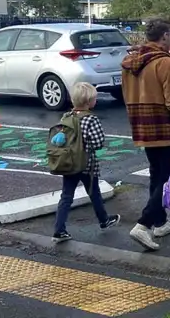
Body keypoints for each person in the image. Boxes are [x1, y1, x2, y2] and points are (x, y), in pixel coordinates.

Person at [121, 17, 170, 251]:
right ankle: (143, 224)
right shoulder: (166, 63)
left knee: (157, 174)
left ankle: (160, 222)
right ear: (164, 36)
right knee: (168, 180)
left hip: (143, 125)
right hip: (165, 127)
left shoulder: (131, 62)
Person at [52, 83, 121, 243]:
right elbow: (98, 143)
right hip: (87, 164)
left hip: (68, 163)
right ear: (89, 102)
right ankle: (103, 220)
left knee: (66, 196)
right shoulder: (91, 119)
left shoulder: (66, 117)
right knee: (94, 192)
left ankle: (59, 229)